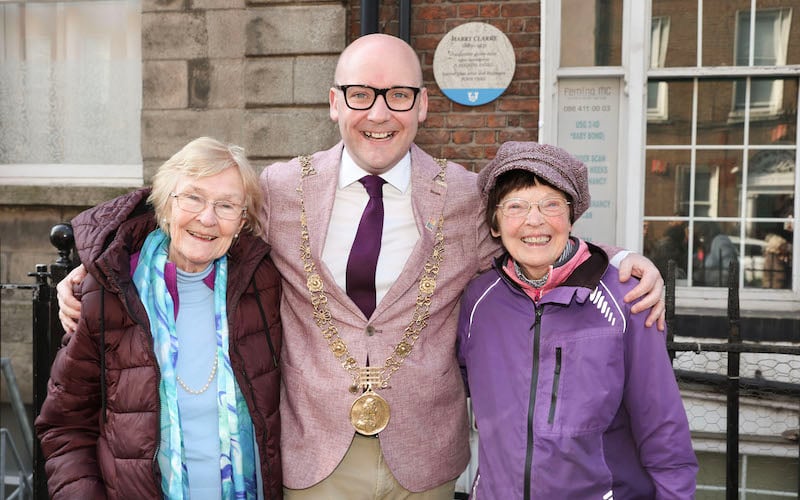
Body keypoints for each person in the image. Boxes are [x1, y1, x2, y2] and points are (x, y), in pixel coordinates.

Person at [57, 34, 666, 499]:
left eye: (399, 95)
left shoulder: (462, 194)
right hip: (311, 454)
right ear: (334, 103)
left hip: (424, 457)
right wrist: (94, 264)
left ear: (423, 106)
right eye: (361, 95)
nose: (380, 113)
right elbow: (196, 217)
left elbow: (534, 237)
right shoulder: (280, 188)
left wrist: (621, 262)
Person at [36, 137, 283, 499]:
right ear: (166, 204)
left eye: (226, 205)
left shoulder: (263, 286)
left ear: (242, 220)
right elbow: (65, 425)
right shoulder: (112, 292)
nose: (207, 218)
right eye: (193, 197)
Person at [457, 141, 698, 498]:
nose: (534, 220)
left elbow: (662, 429)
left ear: (572, 216)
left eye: (551, 204)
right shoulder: (478, 299)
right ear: (494, 224)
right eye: (516, 206)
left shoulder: (626, 298)